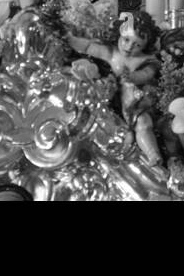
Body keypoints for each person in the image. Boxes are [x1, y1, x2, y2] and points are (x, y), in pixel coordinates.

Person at [69, 9, 163, 165]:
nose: (129, 47)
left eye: (137, 45)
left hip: (136, 100)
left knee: (144, 123)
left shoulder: (146, 60)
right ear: (119, 33)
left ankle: (153, 153)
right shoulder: (112, 53)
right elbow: (87, 47)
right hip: (112, 99)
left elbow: (147, 74)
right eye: (126, 40)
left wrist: (133, 77)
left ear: (145, 46)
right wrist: (70, 39)